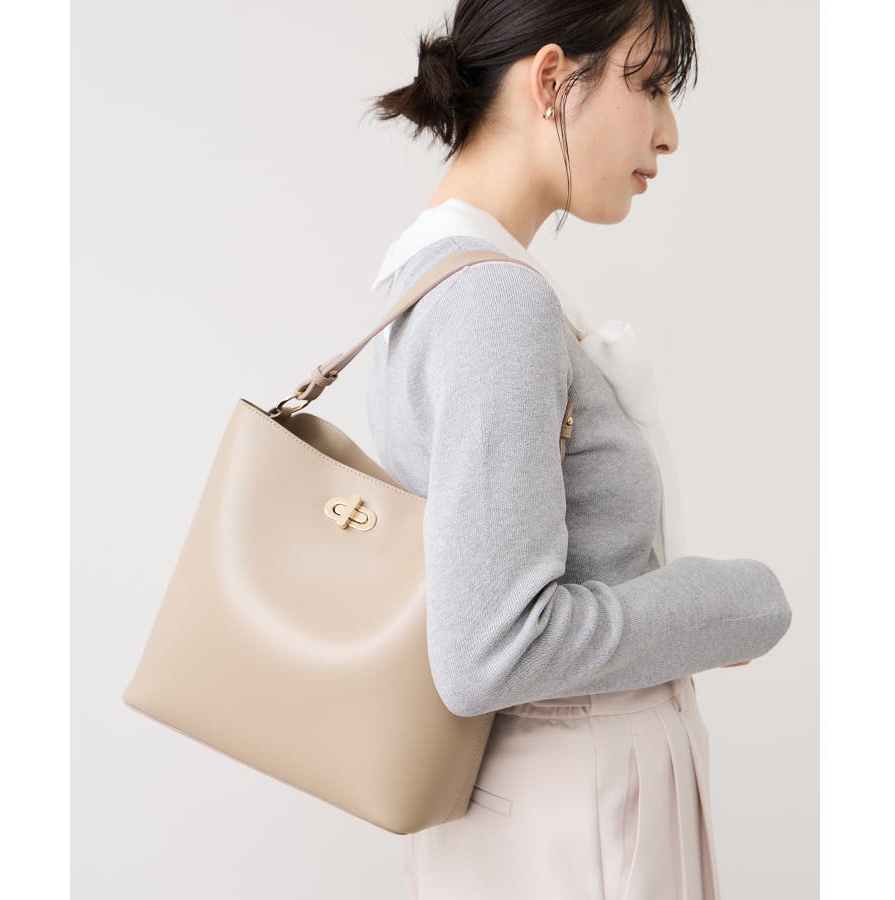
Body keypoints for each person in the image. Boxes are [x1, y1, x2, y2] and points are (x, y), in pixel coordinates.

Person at [363, 2, 793, 898]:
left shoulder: (434, 274)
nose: (669, 134)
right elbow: (491, 650)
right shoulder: (494, 301)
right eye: (652, 86)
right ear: (553, 80)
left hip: (545, 820)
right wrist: (727, 604)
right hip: (577, 830)